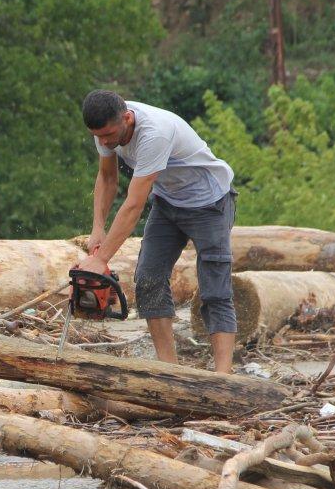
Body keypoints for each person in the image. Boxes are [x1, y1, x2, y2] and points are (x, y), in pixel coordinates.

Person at [76, 90, 238, 373]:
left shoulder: (155, 134)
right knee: (148, 280)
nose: (104, 142)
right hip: (168, 201)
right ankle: (169, 370)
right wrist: (98, 229)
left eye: (108, 135)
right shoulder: (105, 126)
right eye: (97, 136)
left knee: (214, 290)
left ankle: (223, 376)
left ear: (127, 118)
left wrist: (100, 261)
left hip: (210, 202)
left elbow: (134, 204)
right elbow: (107, 177)